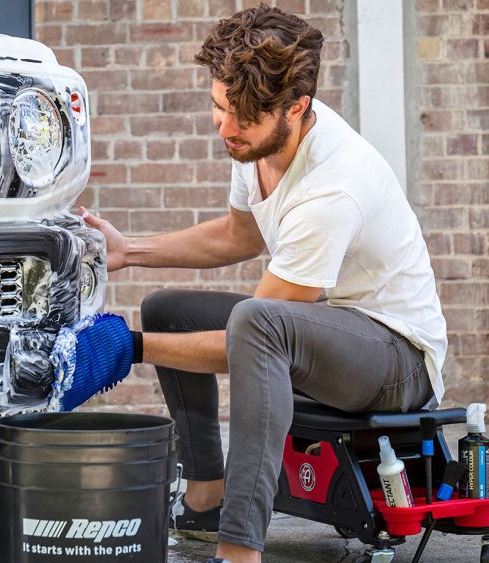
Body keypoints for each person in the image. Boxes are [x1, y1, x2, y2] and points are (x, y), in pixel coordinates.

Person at [81, 5, 447, 563]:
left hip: (398, 359)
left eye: (241, 117)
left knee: (255, 320)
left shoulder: (332, 189)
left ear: (296, 108)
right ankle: (206, 493)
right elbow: (239, 235)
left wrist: (125, 348)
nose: (225, 127)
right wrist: (130, 251)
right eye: (217, 106)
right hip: (335, 329)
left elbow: (251, 339)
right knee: (168, 308)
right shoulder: (257, 142)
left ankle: (239, 547)